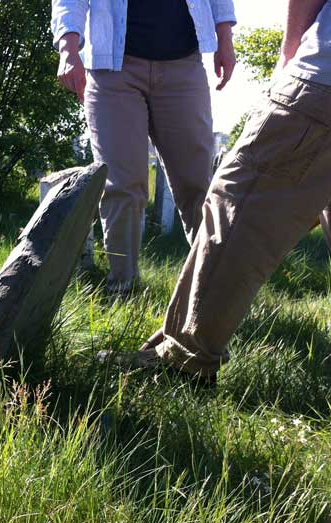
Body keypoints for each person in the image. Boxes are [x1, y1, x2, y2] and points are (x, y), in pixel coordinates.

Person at [103, 0, 331, 384]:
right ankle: (124, 287)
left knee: (237, 201)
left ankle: (183, 358)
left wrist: (289, 57)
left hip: (323, 80)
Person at [51, 0, 237, 293]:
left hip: (183, 66)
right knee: (123, 185)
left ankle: (213, 295)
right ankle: (123, 289)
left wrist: (225, 38)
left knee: (198, 186)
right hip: (112, 69)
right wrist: (68, 50)